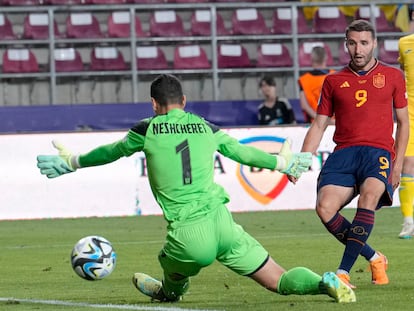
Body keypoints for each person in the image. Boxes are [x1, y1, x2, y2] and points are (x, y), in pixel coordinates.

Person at [37, 74, 355, 303]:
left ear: (154, 104)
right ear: (184, 102)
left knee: (170, 265)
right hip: (223, 224)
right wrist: (282, 163)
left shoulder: (146, 129)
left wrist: (73, 161)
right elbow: (240, 151)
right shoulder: (206, 127)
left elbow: (111, 151)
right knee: (279, 279)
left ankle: (169, 292)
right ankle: (323, 282)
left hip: (190, 233)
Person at [289, 20, 409, 289]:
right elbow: (319, 123)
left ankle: (343, 272)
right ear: (346, 44)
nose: (358, 49)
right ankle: (375, 257)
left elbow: (403, 122)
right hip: (344, 153)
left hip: (378, 152)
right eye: (352, 43)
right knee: (325, 208)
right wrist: (301, 161)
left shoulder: (392, 77)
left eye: (364, 43)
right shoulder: (333, 81)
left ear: (374, 43)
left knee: (368, 198)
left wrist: (397, 163)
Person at [398, 33, 414, 238]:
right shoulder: (404, 43)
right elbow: (403, 71)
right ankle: (408, 221)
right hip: (411, 113)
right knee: (407, 163)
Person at [298, 46, 335, 123]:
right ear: (326, 58)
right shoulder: (336, 76)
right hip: (335, 123)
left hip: (314, 124)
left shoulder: (303, 80)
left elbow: (304, 106)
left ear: (311, 59)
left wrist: (320, 120)